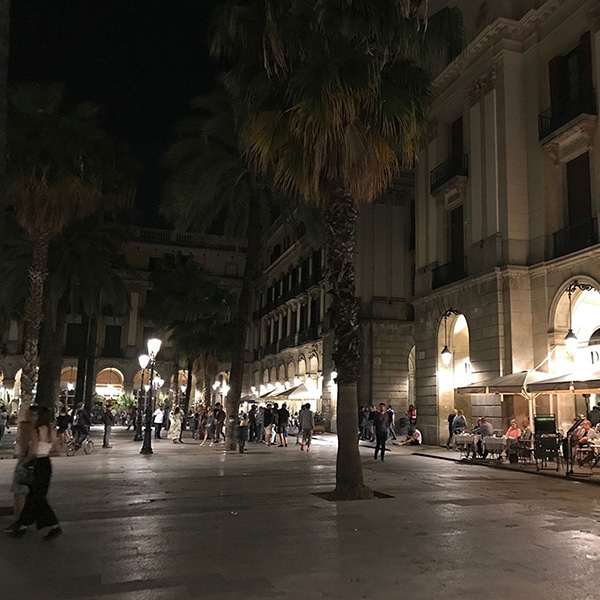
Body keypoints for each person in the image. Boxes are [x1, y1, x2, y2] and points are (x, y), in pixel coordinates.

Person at [6, 406, 62, 540]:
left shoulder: (35, 430)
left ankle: (51, 525)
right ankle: (24, 524)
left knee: (37, 496)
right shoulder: (50, 430)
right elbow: (57, 450)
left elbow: (33, 450)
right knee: (36, 496)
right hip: (46, 463)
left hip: (36, 463)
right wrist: (46, 452)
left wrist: (25, 461)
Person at [4, 419, 33, 534]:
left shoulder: (28, 437)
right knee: (23, 494)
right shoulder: (29, 435)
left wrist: (25, 461)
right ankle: (22, 520)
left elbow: (30, 451)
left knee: (19, 494)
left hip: (24, 466)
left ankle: (19, 521)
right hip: (26, 465)